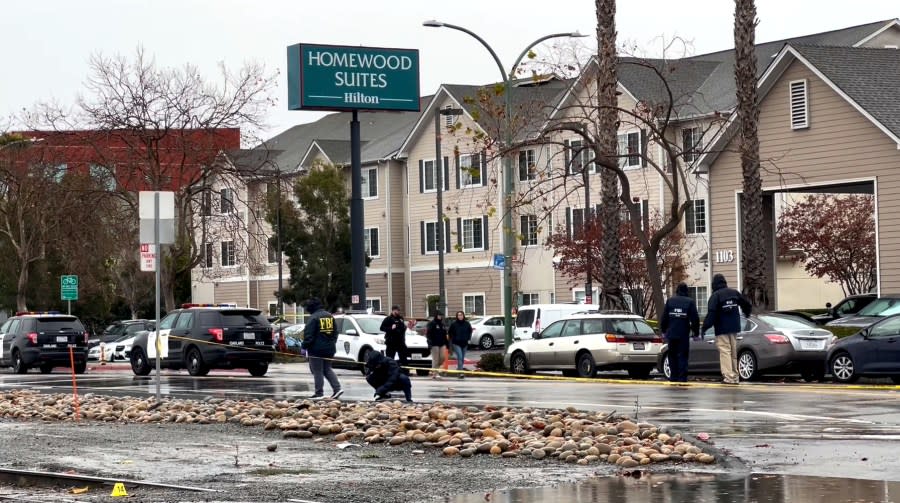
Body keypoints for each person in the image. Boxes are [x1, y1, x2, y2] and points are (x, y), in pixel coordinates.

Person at [702, 274, 752, 385]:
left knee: (725, 352)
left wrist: (704, 328)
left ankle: (728, 377)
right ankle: (734, 376)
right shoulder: (734, 293)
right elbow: (746, 304)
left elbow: (711, 315)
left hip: (721, 329)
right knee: (733, 352)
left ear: (714, 284)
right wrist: (747, 314)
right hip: (734, 328)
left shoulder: (715, 296)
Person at [300, 298, 343, 400]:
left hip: (316, 349)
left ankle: (319, 393)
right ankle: (337, 388)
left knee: (317, 371)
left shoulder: (313, 318)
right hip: (330, 348)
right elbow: (335, 333)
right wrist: (332, 343)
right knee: (327, 369)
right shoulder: (329, 316)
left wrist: (304, 347)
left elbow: (309, 336)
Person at [660, 282, 700, 383]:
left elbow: (664, 318)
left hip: (672, 334)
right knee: (683, 356)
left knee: (672, 356)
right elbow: (695, 319)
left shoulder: (670, 301)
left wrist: (664, 331)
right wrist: (696, 333)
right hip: (683, 334)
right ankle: (682, 378)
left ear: (677, 291)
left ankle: (673, 377)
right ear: (686, 291)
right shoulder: (690, 302)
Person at [380, 305, 410, 375]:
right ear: (393, 310)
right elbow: (381, 328)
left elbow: (403, 328)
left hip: (400, 341)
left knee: (403, 357)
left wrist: (405, 327)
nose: (398, 312)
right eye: (397, 310)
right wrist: (391, 328)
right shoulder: (388, 319)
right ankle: (388, 372)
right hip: (391, 341)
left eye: (399, 310)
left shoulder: (401, 319)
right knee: (390, 358)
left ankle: (405, 372)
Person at [448, 311, 472, 379]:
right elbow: (450, 332)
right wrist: (453, 339)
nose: (460, 316)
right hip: (456, 343)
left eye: (461, 315)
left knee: (462, 358)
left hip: (464, 343)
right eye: (458, 315)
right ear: (457, 316)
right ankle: (461, 373)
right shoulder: (454, 324)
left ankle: (459, 370)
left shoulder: (467, 324)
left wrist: (468, 338)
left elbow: (470, 331)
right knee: (460, 357)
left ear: (463, 316)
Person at [425, 311, 448, 379]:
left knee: (443, 357)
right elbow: (428, 334)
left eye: (441, 315)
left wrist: (447, 344)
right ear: (436, 316)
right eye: (439, 315)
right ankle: (435, 373)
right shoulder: (431, 323)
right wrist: (429, 343)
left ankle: (435, 369)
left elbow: (444, 334)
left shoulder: (442, 324)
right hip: (434, 344)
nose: (440, 316)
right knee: (436, 359)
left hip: (442, 343)